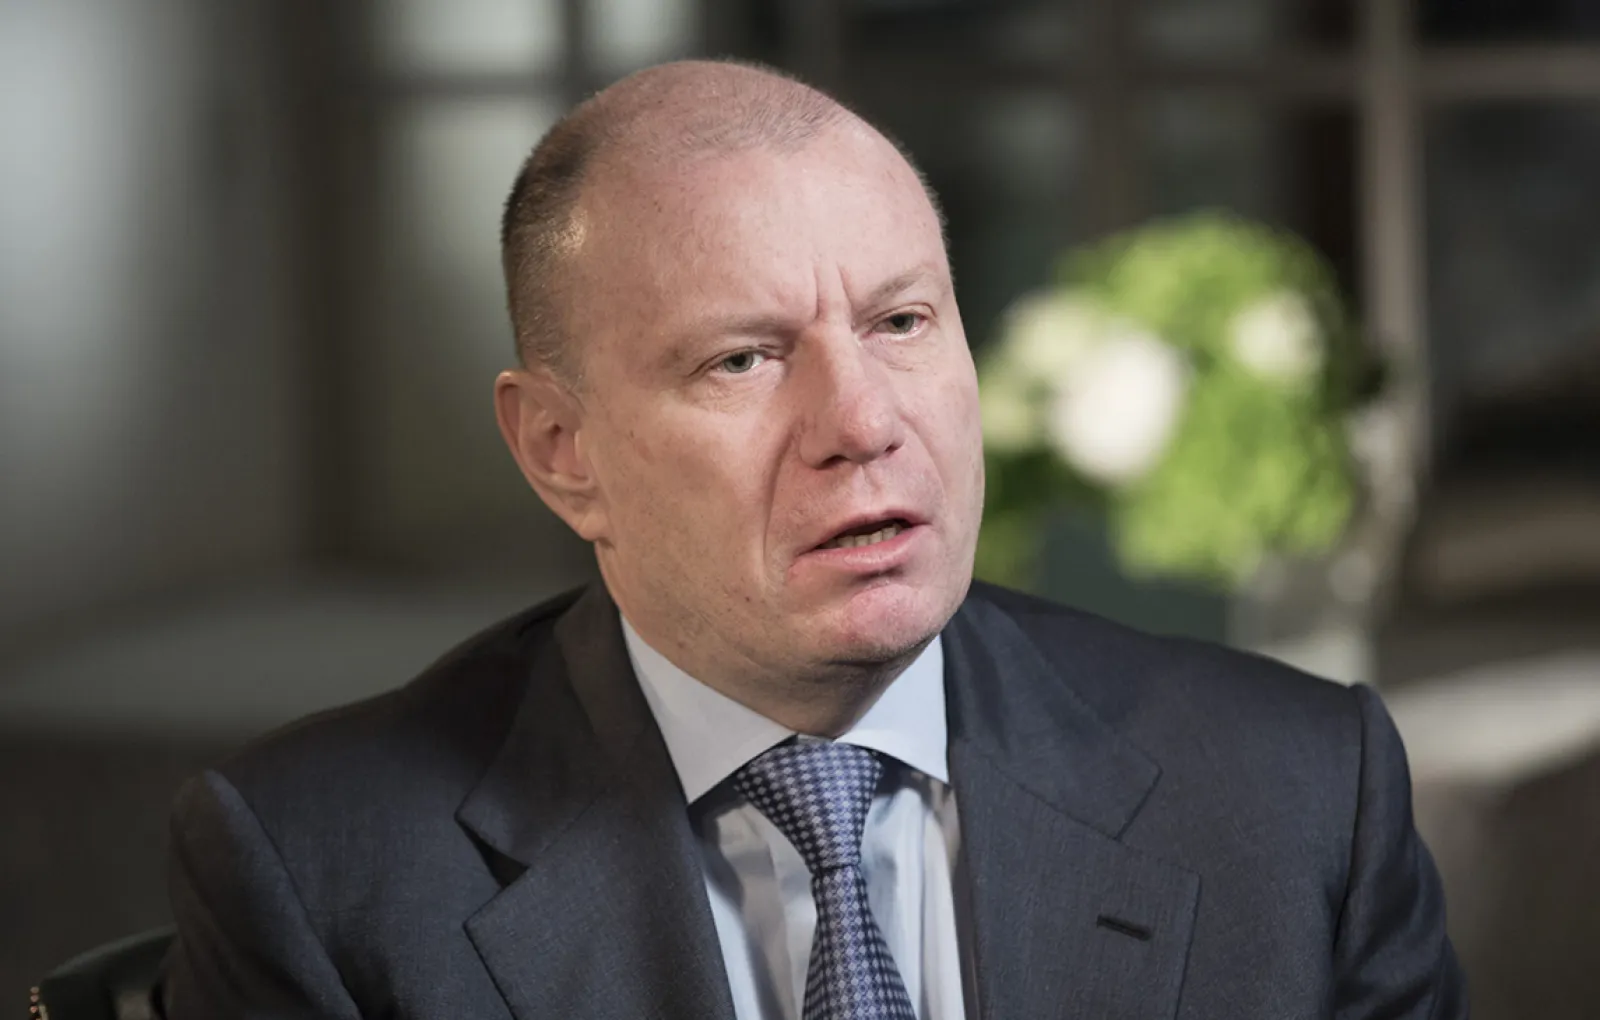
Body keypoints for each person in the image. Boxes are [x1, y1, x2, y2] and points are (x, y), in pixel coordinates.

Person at [159, 60, 1466, 1019]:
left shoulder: (1299, 794)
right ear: (562, 449)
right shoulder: (320, 870)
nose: (864, 422)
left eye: (901, 323)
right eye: (744, 358)